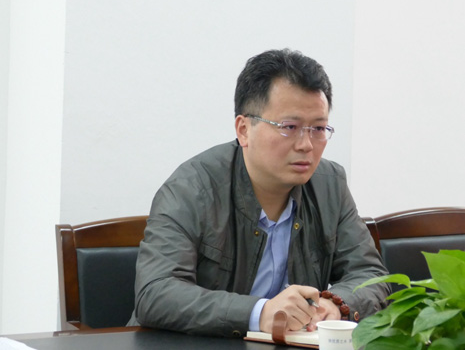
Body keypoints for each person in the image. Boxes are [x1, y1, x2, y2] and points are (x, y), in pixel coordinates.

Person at [128, 49, 390, 337]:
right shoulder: (191, 189)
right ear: (244, 129)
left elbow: (371, 276)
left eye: (318, 128)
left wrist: (335, 304)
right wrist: (260, 313)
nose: (306, 144)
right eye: (289, 127)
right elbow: (156, 293)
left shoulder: (330, 185)